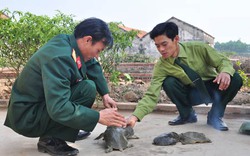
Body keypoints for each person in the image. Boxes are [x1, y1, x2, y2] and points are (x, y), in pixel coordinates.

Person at [4, 17, 126, 156]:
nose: (97, 56)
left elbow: (91, 64)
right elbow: (59, 108)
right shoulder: (59, 57)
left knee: (88, 87)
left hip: (37, 106)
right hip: (27, 117)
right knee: (85, 90)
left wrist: (105, 94)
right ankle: (50, 139)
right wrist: (97, 117)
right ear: (87, 39)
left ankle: (63, 130)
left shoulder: (68, 42)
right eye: (98, 50)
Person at [127, 21, 243, 131]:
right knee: (169, 82)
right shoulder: (161, 66)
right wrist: (134, 117)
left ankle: (215, 116)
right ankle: (187, 115)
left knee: (236, 78)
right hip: (191, 93)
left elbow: (223, 61)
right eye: (157, 46)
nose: (161, 49)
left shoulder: (199, 48)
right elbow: (151, 95)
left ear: (176, 39)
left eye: (164, 44)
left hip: (214, 88)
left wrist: (225, 72)